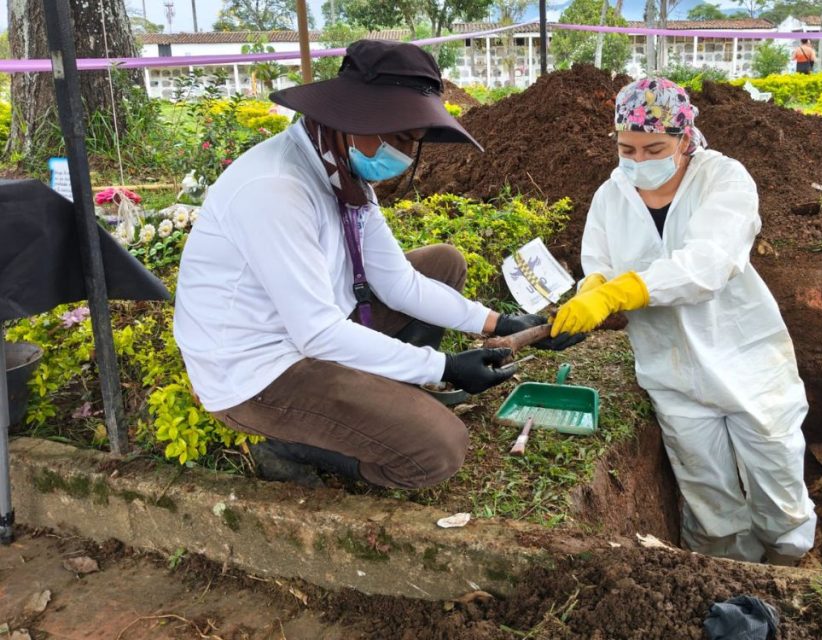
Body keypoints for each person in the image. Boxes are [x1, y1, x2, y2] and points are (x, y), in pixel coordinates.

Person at [173, 40, 582, 489]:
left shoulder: (341, 169)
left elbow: (400, 283)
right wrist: (442, 366)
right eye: (400, 136)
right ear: (354, 116)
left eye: (413, 141)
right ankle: (292, 445)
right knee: (439, 448)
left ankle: (388, 400)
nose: (405, 154)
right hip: (259, 370)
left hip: (312, 328)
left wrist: (498, 323)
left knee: (442, 263)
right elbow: (318, 332)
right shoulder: (275, 190)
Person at [550, 78, 816, 565]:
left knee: (778, 488)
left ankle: (790, 569)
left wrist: (625, 290)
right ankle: (724, 575)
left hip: (747, 363)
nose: (639, 161)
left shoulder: (724, 179)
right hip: (670, 371)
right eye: (627, 148)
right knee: (709, 500)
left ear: (685, 137)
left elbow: (709, 263)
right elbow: (601, 262)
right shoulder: (612, 194)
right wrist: (596, 286)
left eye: (654, 147)